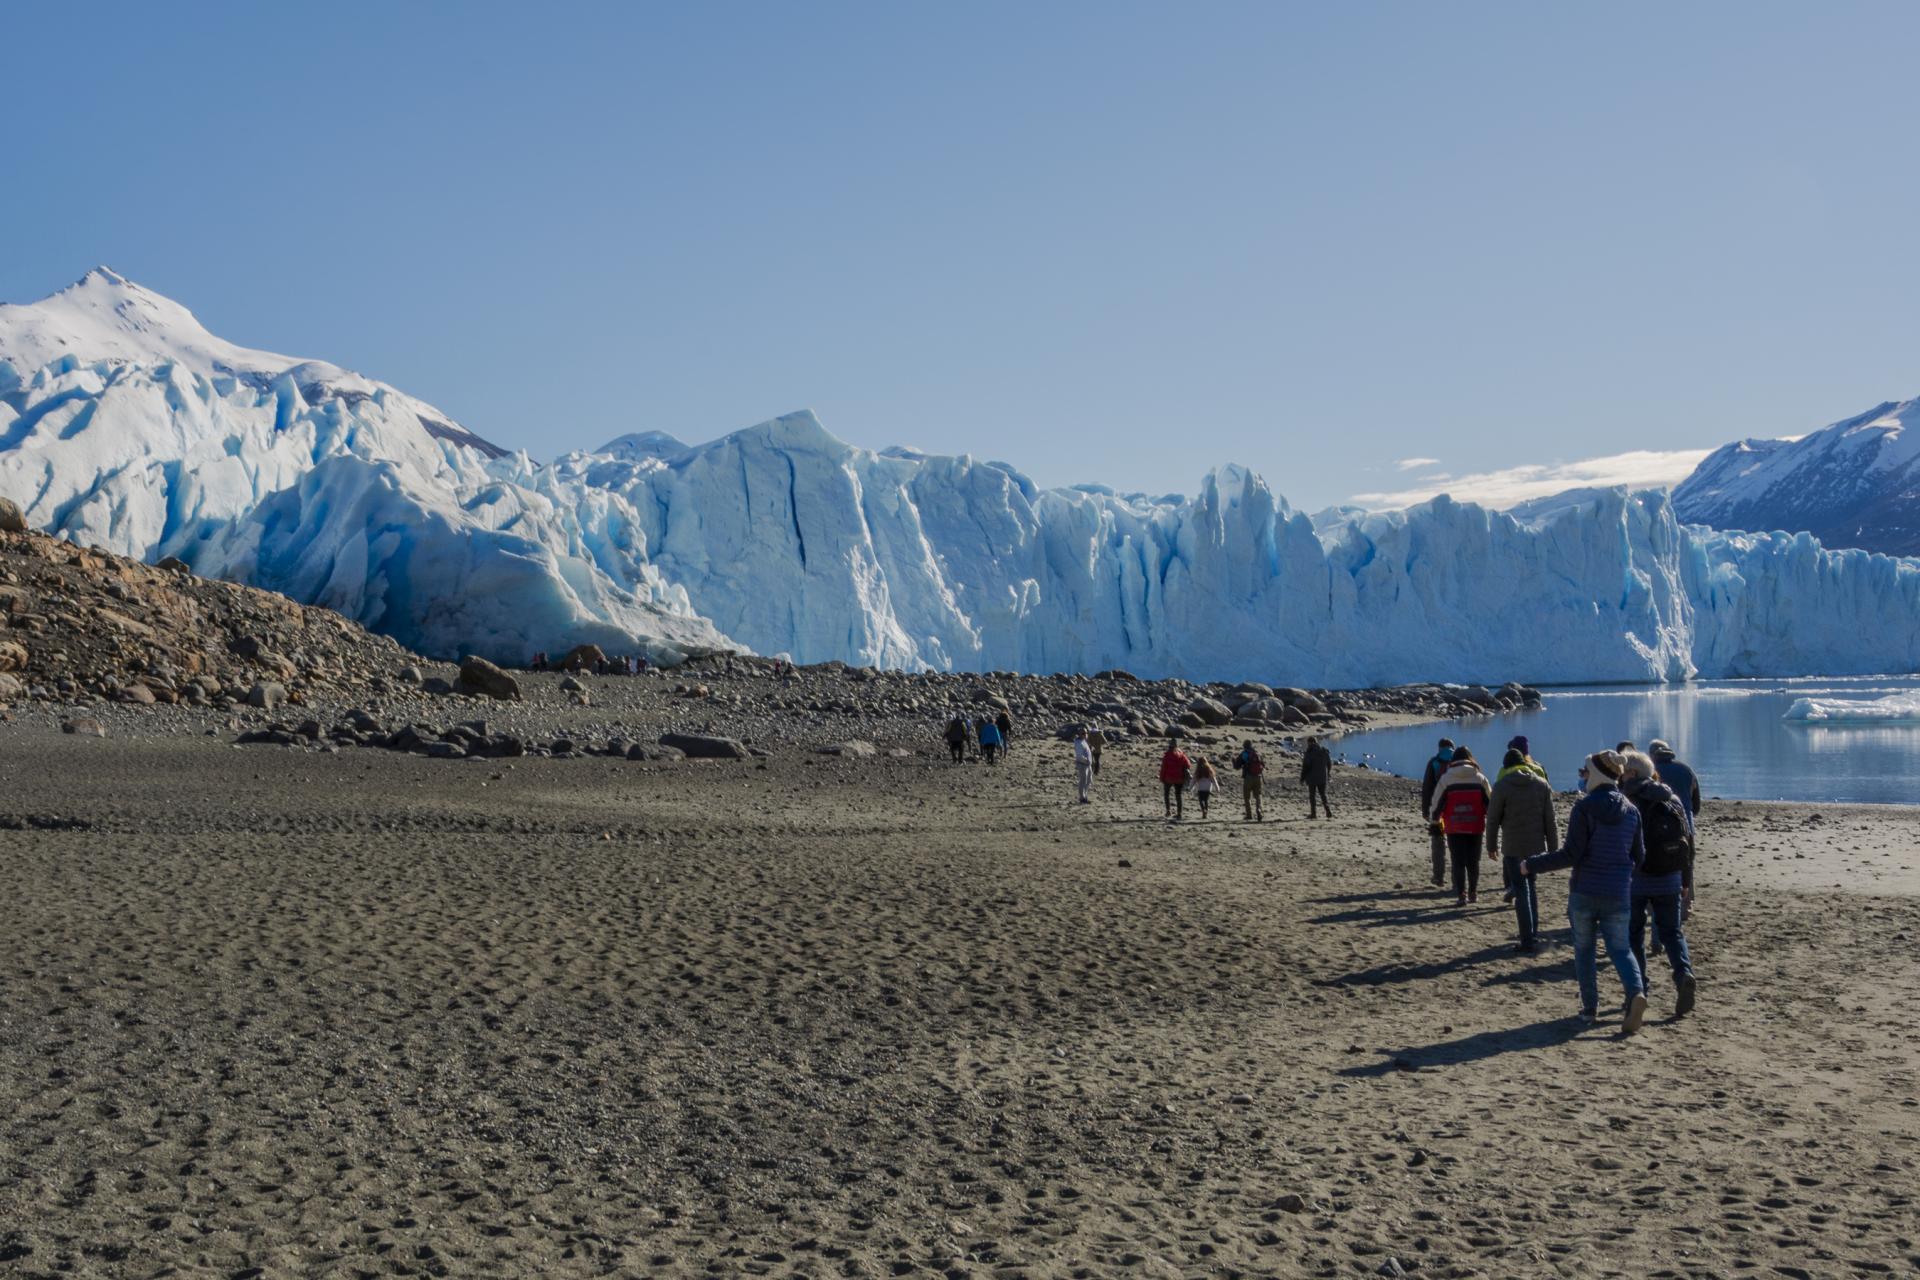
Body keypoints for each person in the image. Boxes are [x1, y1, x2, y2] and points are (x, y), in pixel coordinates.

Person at [1519, 750, 1649, 1032]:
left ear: (1598, 774)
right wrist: (1621, 870)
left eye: (1586, 771)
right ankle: (1636, 992)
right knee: (1621, 949)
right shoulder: (1631, 812)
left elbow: (1571, 854)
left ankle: (1590, 1010)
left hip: (1585, 890)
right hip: (1618, 893)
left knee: (1585, 951)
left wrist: (1531, 865)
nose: (1583, 776)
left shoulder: (1585, 808)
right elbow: (1639, 856)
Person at [1621, 751, 1698, 1016]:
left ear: (1632, 773)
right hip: (1670, 877)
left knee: (1633, 935)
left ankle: (1638, 989)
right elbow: (1687, 842)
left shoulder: (1626, 800)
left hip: (1636, 880)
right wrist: (1686, 880)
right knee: (1672, 932)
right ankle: (1683, 974)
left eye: (1624, 770)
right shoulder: (1672, 798)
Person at [1487, 747, 1557, 953]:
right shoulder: (1541, 785)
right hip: (1535, 847)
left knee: (1521, 891)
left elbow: (1492, 820)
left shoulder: (1502, 786)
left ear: (1506, 766)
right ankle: (1533, 934)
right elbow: (1550, 821)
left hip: (1512, 847)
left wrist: (1491, 846)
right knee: (1531, 888)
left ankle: (1527, 939)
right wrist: (1554, 849)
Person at [1428, 744, 1492, 906]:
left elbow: (1437, 803)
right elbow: (1490, 804)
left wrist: (1434, 822)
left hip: (1454, 826)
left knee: (1457, 861)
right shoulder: (1480, 778)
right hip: (1475, 825)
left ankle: (1461, 894)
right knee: (1473, 861)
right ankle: (1473, 892)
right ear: (1471, 760)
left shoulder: (1446, 779)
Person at [1419, 739, 1456, 887]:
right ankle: (1456, 878)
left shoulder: (1434, 762)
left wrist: (1425, 810)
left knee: (1438, 842)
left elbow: (1427, 788)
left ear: (1440, 748)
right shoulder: (1459, 762)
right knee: (1455, 844)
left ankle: (1438, 876)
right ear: (1452, 748)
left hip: (1437, 810)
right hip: (1454, 809)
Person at [1159, 740, 1193, 820]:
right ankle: (1179, 813)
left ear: (1169, 746)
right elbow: (1188, 765)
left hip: (1168, 778)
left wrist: (1161, 777)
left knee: (1166, 794)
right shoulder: (1181, 755)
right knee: (1178, 796)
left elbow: (1163, 768)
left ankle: (1168, 811)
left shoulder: (1167, 756)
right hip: (1179, 778)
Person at [1300, 736, 1333, 819]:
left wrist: (1302, 778)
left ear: (1310, 743)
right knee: (1323, 795)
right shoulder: (1323, 751)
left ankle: (1313, 813)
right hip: (1322, 777)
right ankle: (1328, 810)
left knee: (1312, 796)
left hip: (1312, 778)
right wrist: (1328, 773)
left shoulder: (1309, 752)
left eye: (1308, 743)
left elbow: (1306, 767)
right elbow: (1329, 763)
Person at [1233, 739, 1265, 821]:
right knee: (1258, 796)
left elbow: (1237, 766)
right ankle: (1259, 810)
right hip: (1258, 777)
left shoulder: (1244, 754)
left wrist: (1233, 761)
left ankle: (1249, 814)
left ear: (1244, 746)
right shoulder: (1257, 753)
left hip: (1248, 777)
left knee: (1247, 797)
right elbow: (1263, 764)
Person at [1073, 729, 1095, 804]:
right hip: (1083, 764)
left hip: (1087, 764)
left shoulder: (1084, 741)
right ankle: (1082, 798)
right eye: (1083, 733)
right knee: (1083, 781)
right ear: (1079, 734)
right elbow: (1079, 756)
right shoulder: (1079, 743)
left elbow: (1086, 750)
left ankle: (1085, 796)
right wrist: (1086, 760)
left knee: (1089, 780)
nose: (1085, 734)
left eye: (1086, 733)